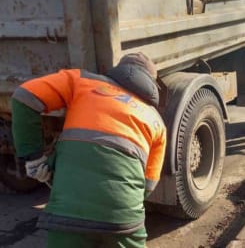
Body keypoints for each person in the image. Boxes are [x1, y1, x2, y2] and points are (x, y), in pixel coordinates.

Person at [11, 52, 167, 248]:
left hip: (67, 217)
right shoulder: (157, 122)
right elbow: (149, 185)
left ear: (120, 70)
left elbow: (24, 97)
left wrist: (35, 158)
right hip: (124, 223)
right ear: (151, 83)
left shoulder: (82, 81)